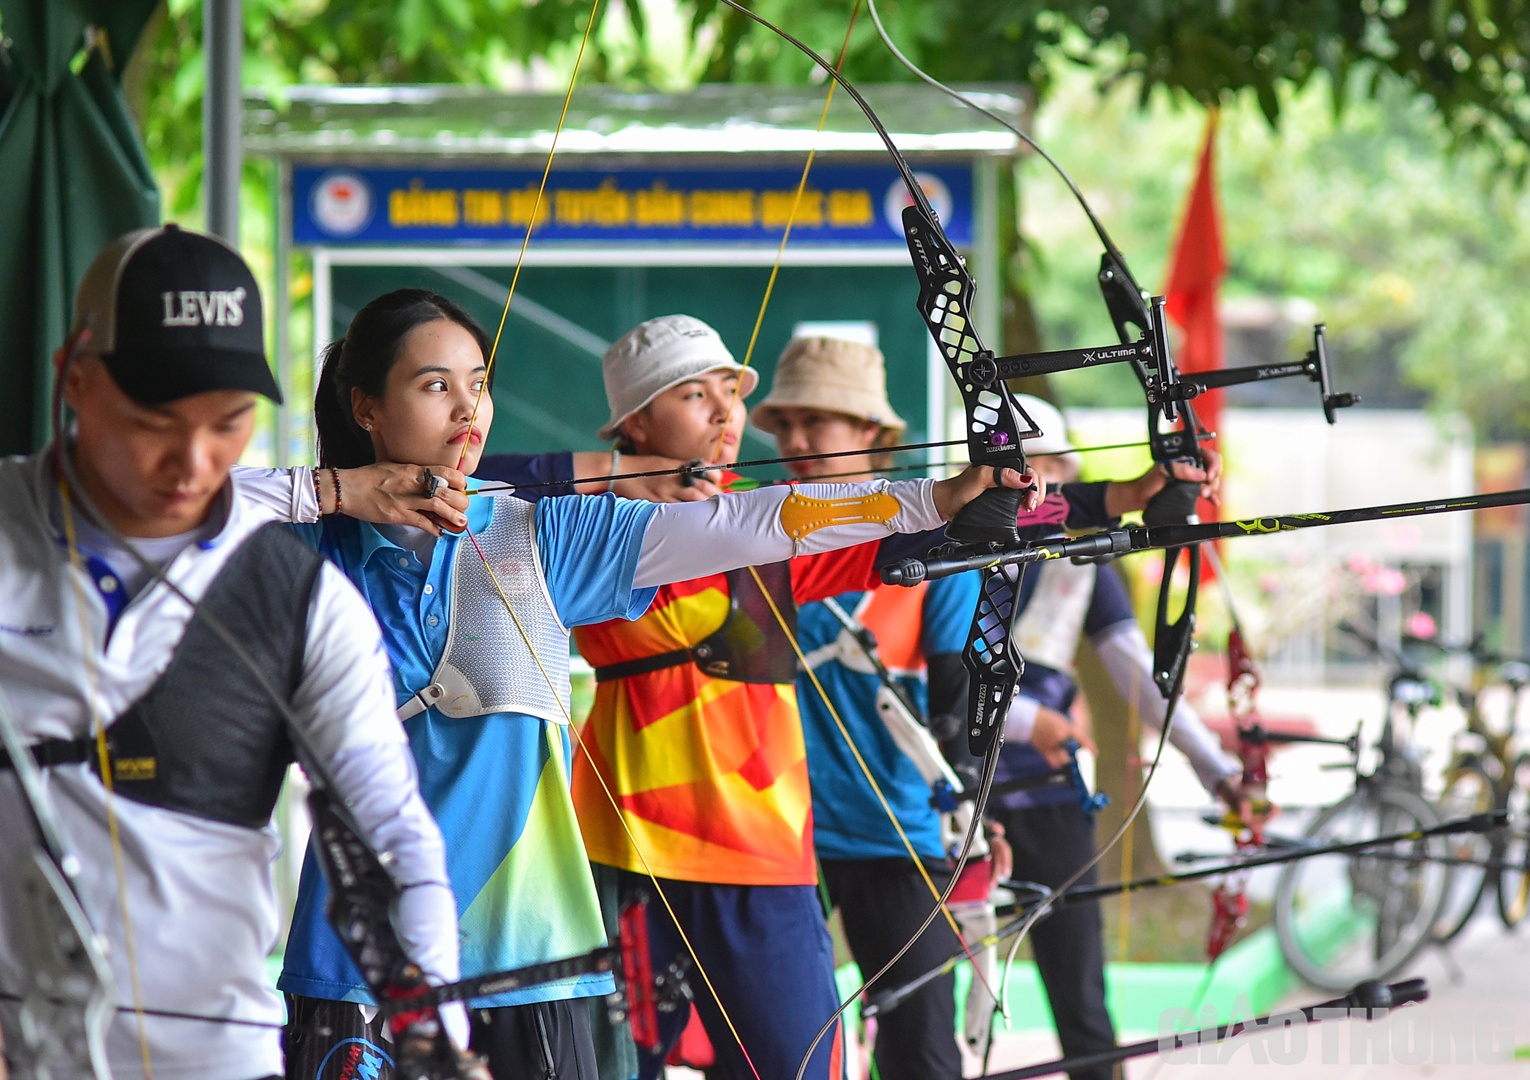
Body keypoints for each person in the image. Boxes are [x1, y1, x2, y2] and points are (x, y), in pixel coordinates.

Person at [271, 292, 1030, 1080]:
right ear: (366, 406)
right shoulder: (297, 549)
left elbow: (763, 521)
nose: (468, 408)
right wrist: (334, 492)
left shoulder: (545, 535)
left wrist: (936, 499)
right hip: (357, 953)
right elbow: (168, 517)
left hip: (536, 953)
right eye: (436, 386)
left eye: (480, 383)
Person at [0, 226, 464, 1080]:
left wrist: (432, 1011)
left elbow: (391, 831)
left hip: (215, 1056)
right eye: (154, 422)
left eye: (229, 423)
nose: (195, 462)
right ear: (74, 376)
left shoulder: (300, 601)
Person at [522, 315, 1041, 1080]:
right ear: (635, 420)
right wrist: (618, 472)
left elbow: (878, 532)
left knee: (795, 1066)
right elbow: (472, 486)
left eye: (730, 392)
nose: (727, 413)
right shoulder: (575, 524)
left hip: (762, 848)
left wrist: (1078, 496)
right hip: (626, 841)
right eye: (696, 396)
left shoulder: (758, 520)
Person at [748, 338, 1223, 1079]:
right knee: (769, 1052)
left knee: (926, 1052)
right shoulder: (751, 526)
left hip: (894, 831)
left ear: (873, 432)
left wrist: (1128, 497)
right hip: (769, 824)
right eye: (787, 424)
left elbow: (962, 675)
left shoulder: (925, 527)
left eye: (822, 421)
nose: (798, 441)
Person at [984, 395, 1243, 1080]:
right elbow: (931, 681)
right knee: (938, 988)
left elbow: (1137, 674)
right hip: (951, 785)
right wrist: (1027, 721)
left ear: (1064, 477)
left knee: (1079, 986)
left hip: (1046, 790)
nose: (1025, 481)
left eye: (1039, 466)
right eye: (1007, 463)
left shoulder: (1077, 561)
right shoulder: (946, 550)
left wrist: (1215, 768)